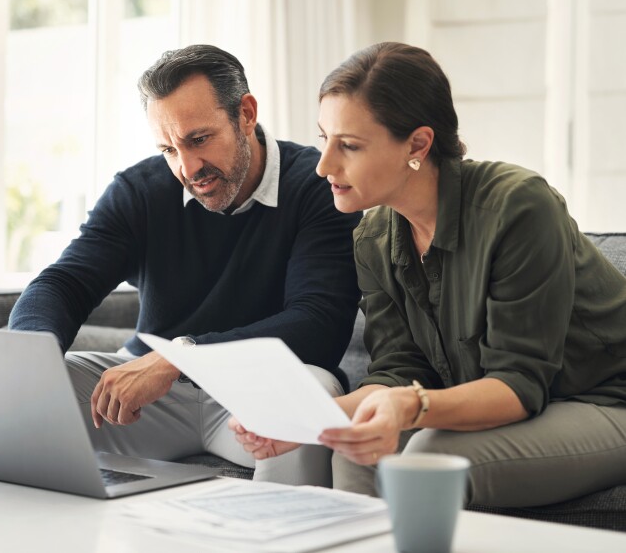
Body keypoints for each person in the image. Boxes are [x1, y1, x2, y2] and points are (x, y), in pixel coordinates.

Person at [232, 42, 626, 507]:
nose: (324, 166)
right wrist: (309, 422)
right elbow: (399, 369)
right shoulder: (373, 237)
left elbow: (519, 383)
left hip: (603, 400)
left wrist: (412, 406)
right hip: (522, 403)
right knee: (354, 448)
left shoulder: (518, 206)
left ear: (418, 144)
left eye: (350, 146)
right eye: (325, 140)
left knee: (429, 454)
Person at [8, 44, 362, 487]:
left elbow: (318, 323)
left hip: (253, 396)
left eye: (198, 140)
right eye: (169, 149)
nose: (188, 167)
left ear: (246, 114)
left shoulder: (317, 187)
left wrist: (179, 357)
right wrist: (26, 360)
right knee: (15, 395)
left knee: (310, 395)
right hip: (150, 402)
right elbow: (63, 284)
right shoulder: (139, 191)